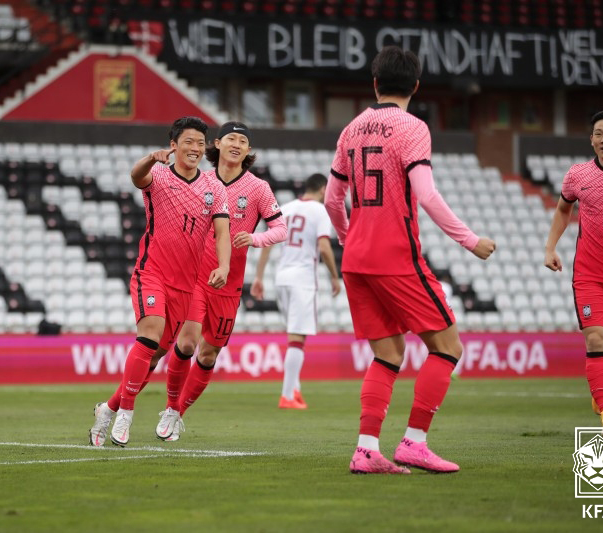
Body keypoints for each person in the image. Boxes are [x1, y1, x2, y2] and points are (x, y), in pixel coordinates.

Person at [324, 46, 496, 474]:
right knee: (448, 346)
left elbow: (332, 199)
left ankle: (366, 450)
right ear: (416, 86)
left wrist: (352, 238)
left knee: (388, 355)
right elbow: (426, 194)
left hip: (356, 260)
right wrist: (469, 240)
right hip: (395, 255)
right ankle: (414, 442)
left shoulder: (352, 128)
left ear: (375, 83)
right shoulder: (413, 127)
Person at [88, 116, 231, 447]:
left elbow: (222, 232)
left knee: (154, 356)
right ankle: (126, 414)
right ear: (174, 145)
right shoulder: (160, 178)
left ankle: (106, 410)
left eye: (200, 143)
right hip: (151, 273)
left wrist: (223, 265)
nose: (195, 148)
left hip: (186, 284)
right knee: (149, 335)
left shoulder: (214, 188)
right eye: (188, 142)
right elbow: (136, 176)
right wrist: (150, 159)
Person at [155, 121, 288, 441]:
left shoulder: (258, 188)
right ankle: (170, 407)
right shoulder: (200, 179)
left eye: (243, 140)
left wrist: (254, 240)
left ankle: (178, 413)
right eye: (231, 138)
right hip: (196, 275)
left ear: (248, 150)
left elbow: (281, 229)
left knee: (208, 354)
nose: (236, 144)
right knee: (186, 343)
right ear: (217, 143)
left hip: (230, 284)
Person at [544, 109, 603, 437]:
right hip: (589, 275)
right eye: (598, 134)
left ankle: (600, 391)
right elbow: (562, 208)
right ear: (592, 139)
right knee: (596, 337)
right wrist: (550, 247)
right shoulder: (578, 175)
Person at [250, 173, 341, 410]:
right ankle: (287, 395)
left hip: (282, 278)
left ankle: (295, 390)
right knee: (297, 339)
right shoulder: (320, 211)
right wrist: (334, 275)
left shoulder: (287, 208)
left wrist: (259, 277)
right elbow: (323, 245)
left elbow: (268, 242)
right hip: (302, 279)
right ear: (322, 190)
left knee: (294, 334)